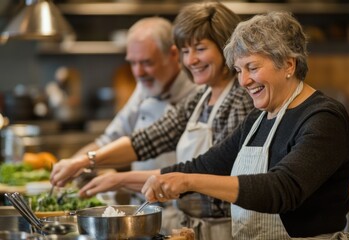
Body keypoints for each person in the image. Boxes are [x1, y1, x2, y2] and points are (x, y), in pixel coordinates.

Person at [140, 11, 349, 239]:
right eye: (238, 70)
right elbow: (205, 166)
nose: (243, 81)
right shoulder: (258, 119)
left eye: (252, 68)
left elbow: (282, 189)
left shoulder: (324, 118)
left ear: (288, 64)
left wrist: (186, 181)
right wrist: (125, 180)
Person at [50, 2, 254, 239]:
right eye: (186, 51)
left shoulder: (239, 99)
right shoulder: (201, 96)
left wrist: (120, 179)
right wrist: (86, 161)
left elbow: (207, 171)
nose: (191, 60)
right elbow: (149, 139)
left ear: (225, 46)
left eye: (199, 49)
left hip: (225, 229)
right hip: (193, 226)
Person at [53, 17, 197, 189]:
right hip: (141, 198)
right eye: (132, 63)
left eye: (147, 62)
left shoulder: (196, 92)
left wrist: (116, 178)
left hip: (177, 202)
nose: (138, 72)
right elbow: (111, 139)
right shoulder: (146, 86)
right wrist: (73, 164)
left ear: (173, 54)